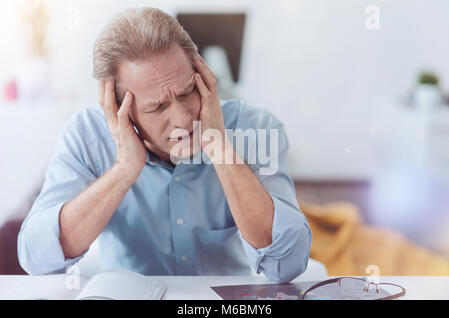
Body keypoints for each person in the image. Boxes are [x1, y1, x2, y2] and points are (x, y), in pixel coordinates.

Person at [17, 7, 312, 283]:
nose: (182, 119)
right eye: (157, 108)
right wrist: (125, 168)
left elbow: (285, 264)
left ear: (203, 78)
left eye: (186, 93)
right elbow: (37, 259)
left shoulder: (257, 128)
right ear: (120, 110)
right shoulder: (86, 135)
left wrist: (219, 146)